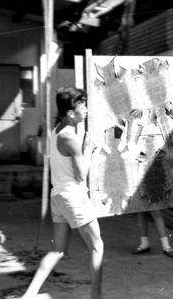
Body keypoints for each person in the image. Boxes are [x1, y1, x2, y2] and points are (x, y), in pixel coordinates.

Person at [22, 86, 103, 299]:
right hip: (73, 197)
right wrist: (89, 150)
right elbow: (81, 175)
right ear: (70, 113)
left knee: (58, 250)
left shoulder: (56, 130)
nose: (86, 110)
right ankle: (97, 297)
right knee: (97, 247)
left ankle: (29, 295)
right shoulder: (71, 138)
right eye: (82, 106)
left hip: (57, 197)